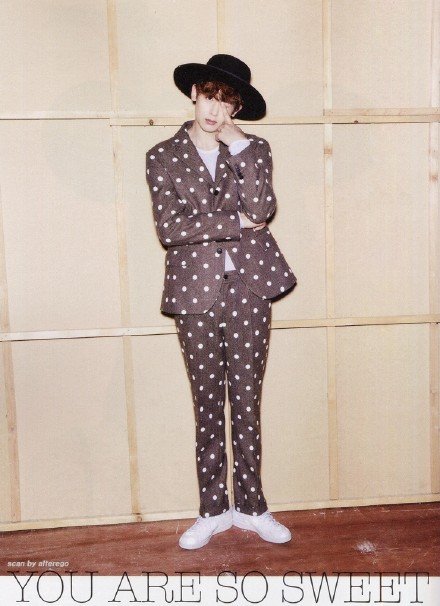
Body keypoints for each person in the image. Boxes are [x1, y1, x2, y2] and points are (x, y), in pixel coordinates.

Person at [146, 54, 297, 550]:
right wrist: (234, 223)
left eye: (226, 101)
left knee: (247, 400)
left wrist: (241, 146)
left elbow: (263, 207)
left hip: (250, 288)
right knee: (208, 402)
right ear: (194, 94)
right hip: (195, 292)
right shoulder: (162, 155)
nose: (215, 110)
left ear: (237, 107)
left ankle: (252, 507)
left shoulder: (254, 149)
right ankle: (212, 510)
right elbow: (171, 229)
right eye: (209, 97)